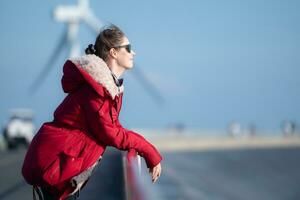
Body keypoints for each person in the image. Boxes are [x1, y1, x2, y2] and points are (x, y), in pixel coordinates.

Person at [22, 24, 162, 200]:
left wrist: (139, 148)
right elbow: (111, 134)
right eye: (128, 48)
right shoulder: (96, 91)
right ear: (114, 52)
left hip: (63, 166)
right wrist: (149, 151)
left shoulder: (106, 88)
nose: (133, 53)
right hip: (56, 165)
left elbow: (113, 127)